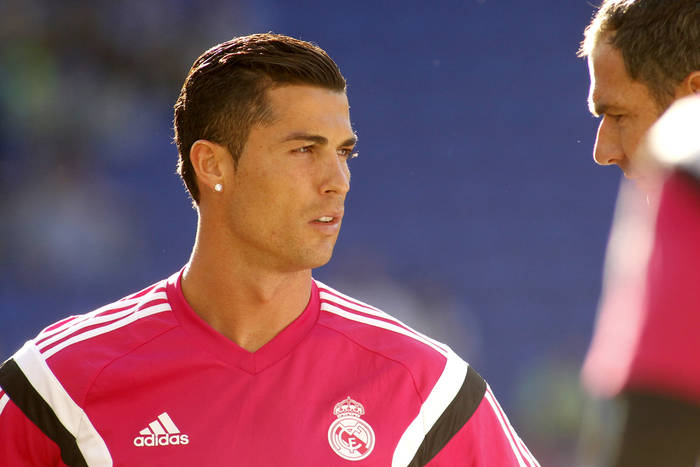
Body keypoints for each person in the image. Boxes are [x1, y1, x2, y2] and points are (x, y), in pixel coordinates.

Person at [0, 34, 538, 466]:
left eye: (344, 153)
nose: (337, 181)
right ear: (213, 164)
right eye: (304, 150)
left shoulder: (425, 387)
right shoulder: (57, 383)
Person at [577, 1, 700, 464]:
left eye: (618, 115)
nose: (602, 151)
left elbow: (651, 440)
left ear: (694, 97)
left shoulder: (687, 177)